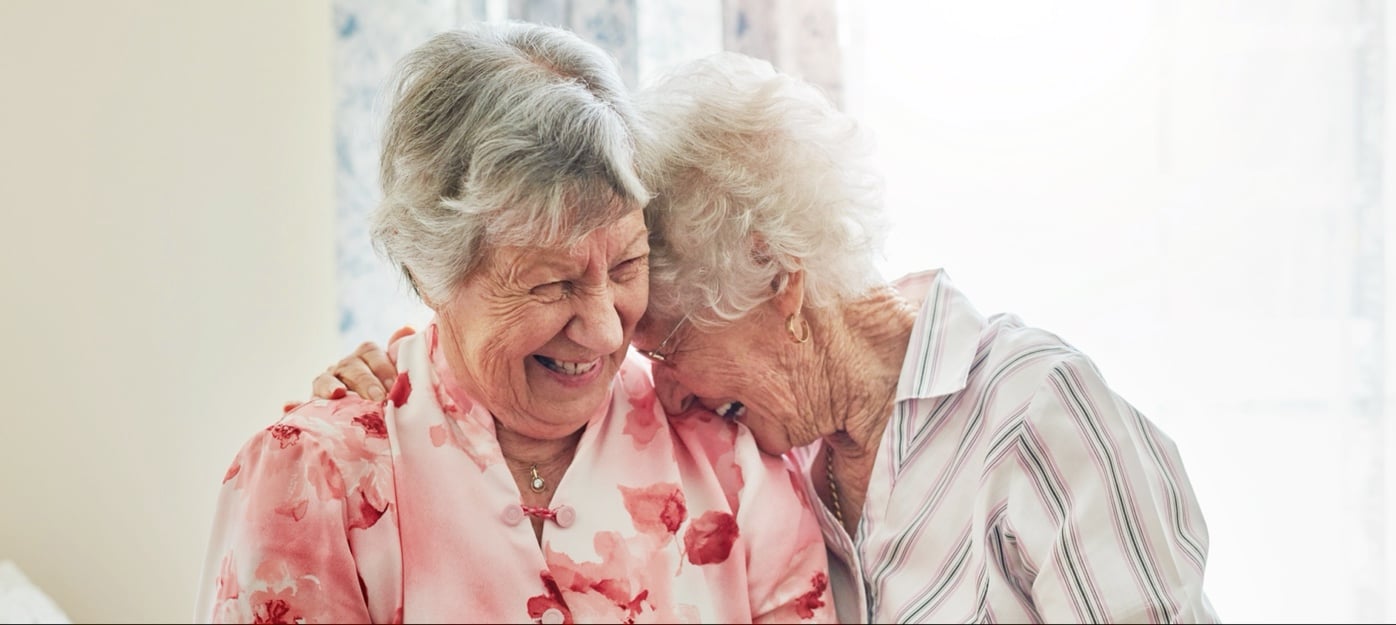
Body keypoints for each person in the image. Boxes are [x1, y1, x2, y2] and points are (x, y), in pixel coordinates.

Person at [318, 53, 1220, 623]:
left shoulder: (1034, 416)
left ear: (777, 281)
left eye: (667, 348)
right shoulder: (781, 458)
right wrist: (396, 375)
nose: (661, 393)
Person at [195, 24, 835, 624]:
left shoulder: (731, 462)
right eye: (552, 283)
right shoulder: (315, 479)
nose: (607, 332)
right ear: (431, 273)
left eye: (626, 265)